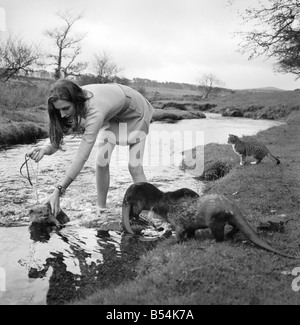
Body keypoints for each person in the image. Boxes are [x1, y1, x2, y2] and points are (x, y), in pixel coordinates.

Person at [27, 79, 154, 219]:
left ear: (76, 101)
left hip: (135, 111)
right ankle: (101, 210)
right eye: (59, 110)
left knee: (134, 166)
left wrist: (58, 190)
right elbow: (62, 133)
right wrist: (45, 149)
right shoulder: (71, 99)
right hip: (113, 113)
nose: (62, 114)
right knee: (101, 161)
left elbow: (82, 156)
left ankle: (149, 211)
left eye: (65, 109)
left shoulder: (95, 111)